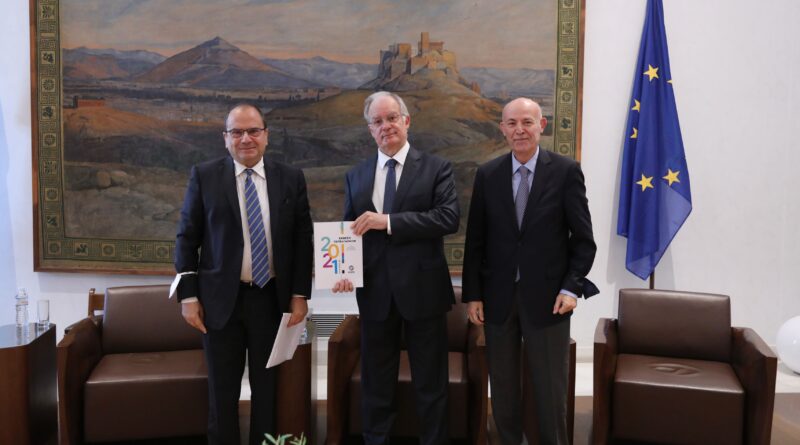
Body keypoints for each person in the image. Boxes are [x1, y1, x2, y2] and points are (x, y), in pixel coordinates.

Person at [173, 103, 313, 445]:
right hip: (220, 303)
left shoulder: (291, 178)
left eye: (253, 131)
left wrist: (300, 295)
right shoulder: (204, 176)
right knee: (222, 392)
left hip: (271, 300)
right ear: (225, 138)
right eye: (237, 132)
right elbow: (187, 237)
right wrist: (188, 296)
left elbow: (302, 240)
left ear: (266, 135)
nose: (245, 138)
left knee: (268, 392)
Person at [462, 97, 597, 444]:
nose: (519, 130)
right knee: (503, 387)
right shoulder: (488, 174)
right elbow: (476, 240)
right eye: (512, 123)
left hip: (550, 299)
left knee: (550, 389)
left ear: (542, 126)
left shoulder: (566, 171)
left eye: (526, 122)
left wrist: (571, 288)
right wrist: (473, 294)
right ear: (502, 129)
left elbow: (584, 241)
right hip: (498, 299)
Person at [332, 91, 459, 445]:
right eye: (377, 121)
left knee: (431, 382)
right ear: (369, 129)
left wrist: (387, 221)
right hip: (374, 293)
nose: (385, 126)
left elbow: (447, 218)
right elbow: (349, 232)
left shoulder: (436, 168)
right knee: (376, 382)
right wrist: (343, 271)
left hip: (424, 293)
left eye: (391, 118)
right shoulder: (355, 176)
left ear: (406, 121)